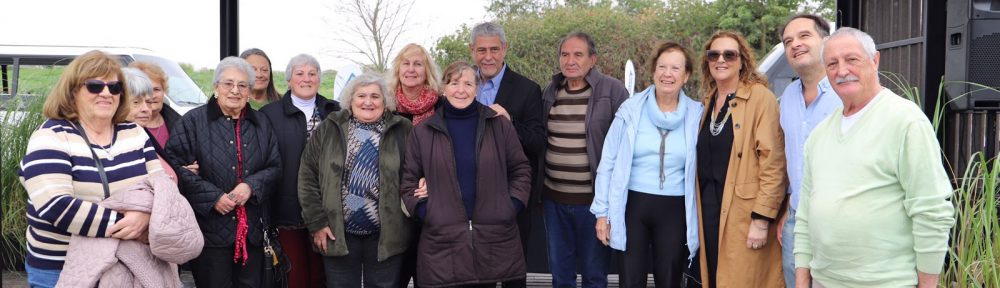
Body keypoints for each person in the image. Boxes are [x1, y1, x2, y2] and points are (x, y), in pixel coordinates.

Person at [794, 27, 955, 288]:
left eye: (852, 59)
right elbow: (804, 216)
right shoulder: (819, 135)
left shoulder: (905, 121)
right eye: (832, 63)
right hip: (824, 282)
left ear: (875, 60)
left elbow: (932, 211)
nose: (841, 70)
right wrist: (802, 282)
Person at [18, 50, 164, 287]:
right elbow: (57, 207)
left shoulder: (134, 132)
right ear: (73, 91)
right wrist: (132, 224)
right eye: (95, 86)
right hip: (62, 268)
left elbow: (160, 187)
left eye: (115, 88)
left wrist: (146, 216)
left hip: (126, 266)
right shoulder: (51, 137)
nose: (106, 93)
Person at [401, 61, 531, 287]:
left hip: (492, 238)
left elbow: (520, 169)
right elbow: (409, 180)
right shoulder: (423, 132)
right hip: (444, 241)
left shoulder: (498, 125)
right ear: (443, 88)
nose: (461, 90)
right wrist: (426, 212)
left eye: (468, 83)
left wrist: (511, 206)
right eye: (454, 83)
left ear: (477, 88)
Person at [591, 42, 703, 288]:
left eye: (675, 68)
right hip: (633, 206)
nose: (667, 74)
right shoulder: (630, 110)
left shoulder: (697, 115)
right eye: (662, 67)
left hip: (675, 209)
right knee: (630, 281)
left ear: (686, 76)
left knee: (670, 280)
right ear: (653, 72)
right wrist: (602, 213)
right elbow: (608, 162)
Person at [165, 56, 281, 288]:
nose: (235, 90)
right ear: (216, 87)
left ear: (249, 91)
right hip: (210, 232)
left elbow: (275, 166)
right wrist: (214, 197)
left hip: (252, 232)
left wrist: (250, 186)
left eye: (242, 85)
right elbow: (173, 169)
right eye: (228, 83)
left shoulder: (261, 123)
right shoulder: (192, 122)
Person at [297, 72, 412, 288]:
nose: (368, 102)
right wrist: (317, 222)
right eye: (361, 96)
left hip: (386, 234)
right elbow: (307, 177)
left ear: (385, 101)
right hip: (336, 232)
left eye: (375, 96)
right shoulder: (328, 129)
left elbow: (416, 171)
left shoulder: (403, 129)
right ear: (350, 100)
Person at [695, 30, 786, 288]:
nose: (720, 60)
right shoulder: (708, 101)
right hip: (710, 212)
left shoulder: (760, 98)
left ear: (742, 60)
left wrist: (761, 219)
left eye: (729, 54)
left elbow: (774, 163)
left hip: (745, 217)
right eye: (714, 54)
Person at [541, 32, 628, 288]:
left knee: (594, 276)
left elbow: (626, 147)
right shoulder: (550, 90)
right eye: (565, 54)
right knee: (561, 276)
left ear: (593, 59)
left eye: (578, 54)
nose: (570, 60)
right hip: (554, 201)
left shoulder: (613, 91)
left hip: (595, 205)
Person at [468, 22, 546, 288]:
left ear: (505, 49)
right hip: (469, 200)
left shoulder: (527, 89)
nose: (487, 56)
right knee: (477, 275)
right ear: (471, 51)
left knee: (514, 275)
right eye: (481, 50)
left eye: (494, 49)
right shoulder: (461, 87)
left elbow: (538, 142)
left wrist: (510, 120)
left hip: (512, 199)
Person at [260, 53, 340, 288]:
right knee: (293, 276)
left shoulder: (335, 112)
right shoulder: (269, 115)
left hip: (329, 209)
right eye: (300, 73)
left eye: (312, 74)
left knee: (322, 276)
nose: (306, 79)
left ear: (319, 79)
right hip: (287, 210)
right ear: (289, 80)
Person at [775, 14, 841, 288]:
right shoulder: (788, 97)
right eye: (788, 41)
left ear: (826, 41)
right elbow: (791, 158)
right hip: (796, 220)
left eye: (804, 36)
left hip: (839, 221)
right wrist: (786, 210)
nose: (795, 45)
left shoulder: (846, 92)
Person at [122, 67, 179, 182]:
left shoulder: (141, 135)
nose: (146, 109)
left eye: (148, 102)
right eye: (136, 102)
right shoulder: (117, 142)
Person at [127, 61, 182, 152]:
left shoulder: (180, 123)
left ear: (164, 91)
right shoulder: (124, 126)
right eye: (146, 89)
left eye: (156, 89)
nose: (151, 96)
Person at [388, 43, 441, 125]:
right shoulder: (387, 105)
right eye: (406, 63)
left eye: (417, 64)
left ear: (427, 72)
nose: (411, 69)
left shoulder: (441, 105)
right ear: (398, 70)